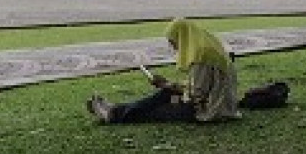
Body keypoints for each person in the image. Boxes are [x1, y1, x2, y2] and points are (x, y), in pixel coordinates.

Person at [87, 18, 241, 124]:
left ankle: (113, 113)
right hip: (222, 105)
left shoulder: (202, 55)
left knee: (157, 110)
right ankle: (115, 111)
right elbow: (202, 86)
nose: (174, 47)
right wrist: (169, 86)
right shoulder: (208, 47)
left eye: (173, 42)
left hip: (212, 111)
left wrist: (167, 87)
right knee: (164, 97)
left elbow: (196, 95)